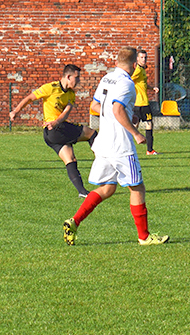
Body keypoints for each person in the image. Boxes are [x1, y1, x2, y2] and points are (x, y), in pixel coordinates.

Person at [63, 47, 169, 246]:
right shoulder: (127, 83)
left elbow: (95, 106)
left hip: (103, 142)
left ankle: (74, 221)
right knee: (137, 187)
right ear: (134, 64)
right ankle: (144, 237)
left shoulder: (107, 78)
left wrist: (129, 115)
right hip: (120, 145)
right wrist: (136, 133)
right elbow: (117, 109)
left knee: (108, 188)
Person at [9, 64, 98, 197]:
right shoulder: (50, 88)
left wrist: (56, 121)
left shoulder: (71, 94)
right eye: (77, 78)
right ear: (68, 77)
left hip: (53, 132)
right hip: (55, 130)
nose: (79, 81)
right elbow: (30, 98)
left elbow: (66, 112)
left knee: (70, 159)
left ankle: (82, 192)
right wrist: (16, 111)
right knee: (92, 134)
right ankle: (102, 163)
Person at [131, 49, 159, 155]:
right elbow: (129, 80)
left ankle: (149, 150)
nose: (144, 59)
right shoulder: (138, 70)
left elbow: (142, 84)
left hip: (141, 103)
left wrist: (152, 88)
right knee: (146, 124)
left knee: (138, 126)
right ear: (137, 59)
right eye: (141, 57)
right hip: (141, 104)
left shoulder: (142, 69)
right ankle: (149, 150)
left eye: (145, 57)